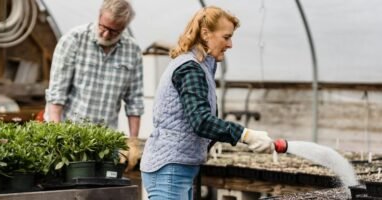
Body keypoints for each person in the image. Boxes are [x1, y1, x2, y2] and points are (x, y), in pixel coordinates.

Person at [140, 6, 274, 199]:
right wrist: (246, 135)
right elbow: (201, 121)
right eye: (226, 37)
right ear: (205, 34)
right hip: (169, 170)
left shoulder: (200, 66)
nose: (230, 45)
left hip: (176, 168)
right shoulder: (190, 69)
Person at [44, 0, 143, 171]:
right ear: (99, 16)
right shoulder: (73, 40)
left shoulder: (132, 51)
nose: (105, 34)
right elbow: (56, 96)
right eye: (103, 27)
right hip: (70, 136)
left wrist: (133, 141)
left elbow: (134, 101)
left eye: (113, 31)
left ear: (124, 28)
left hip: (106, 141)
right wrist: (57, 137)